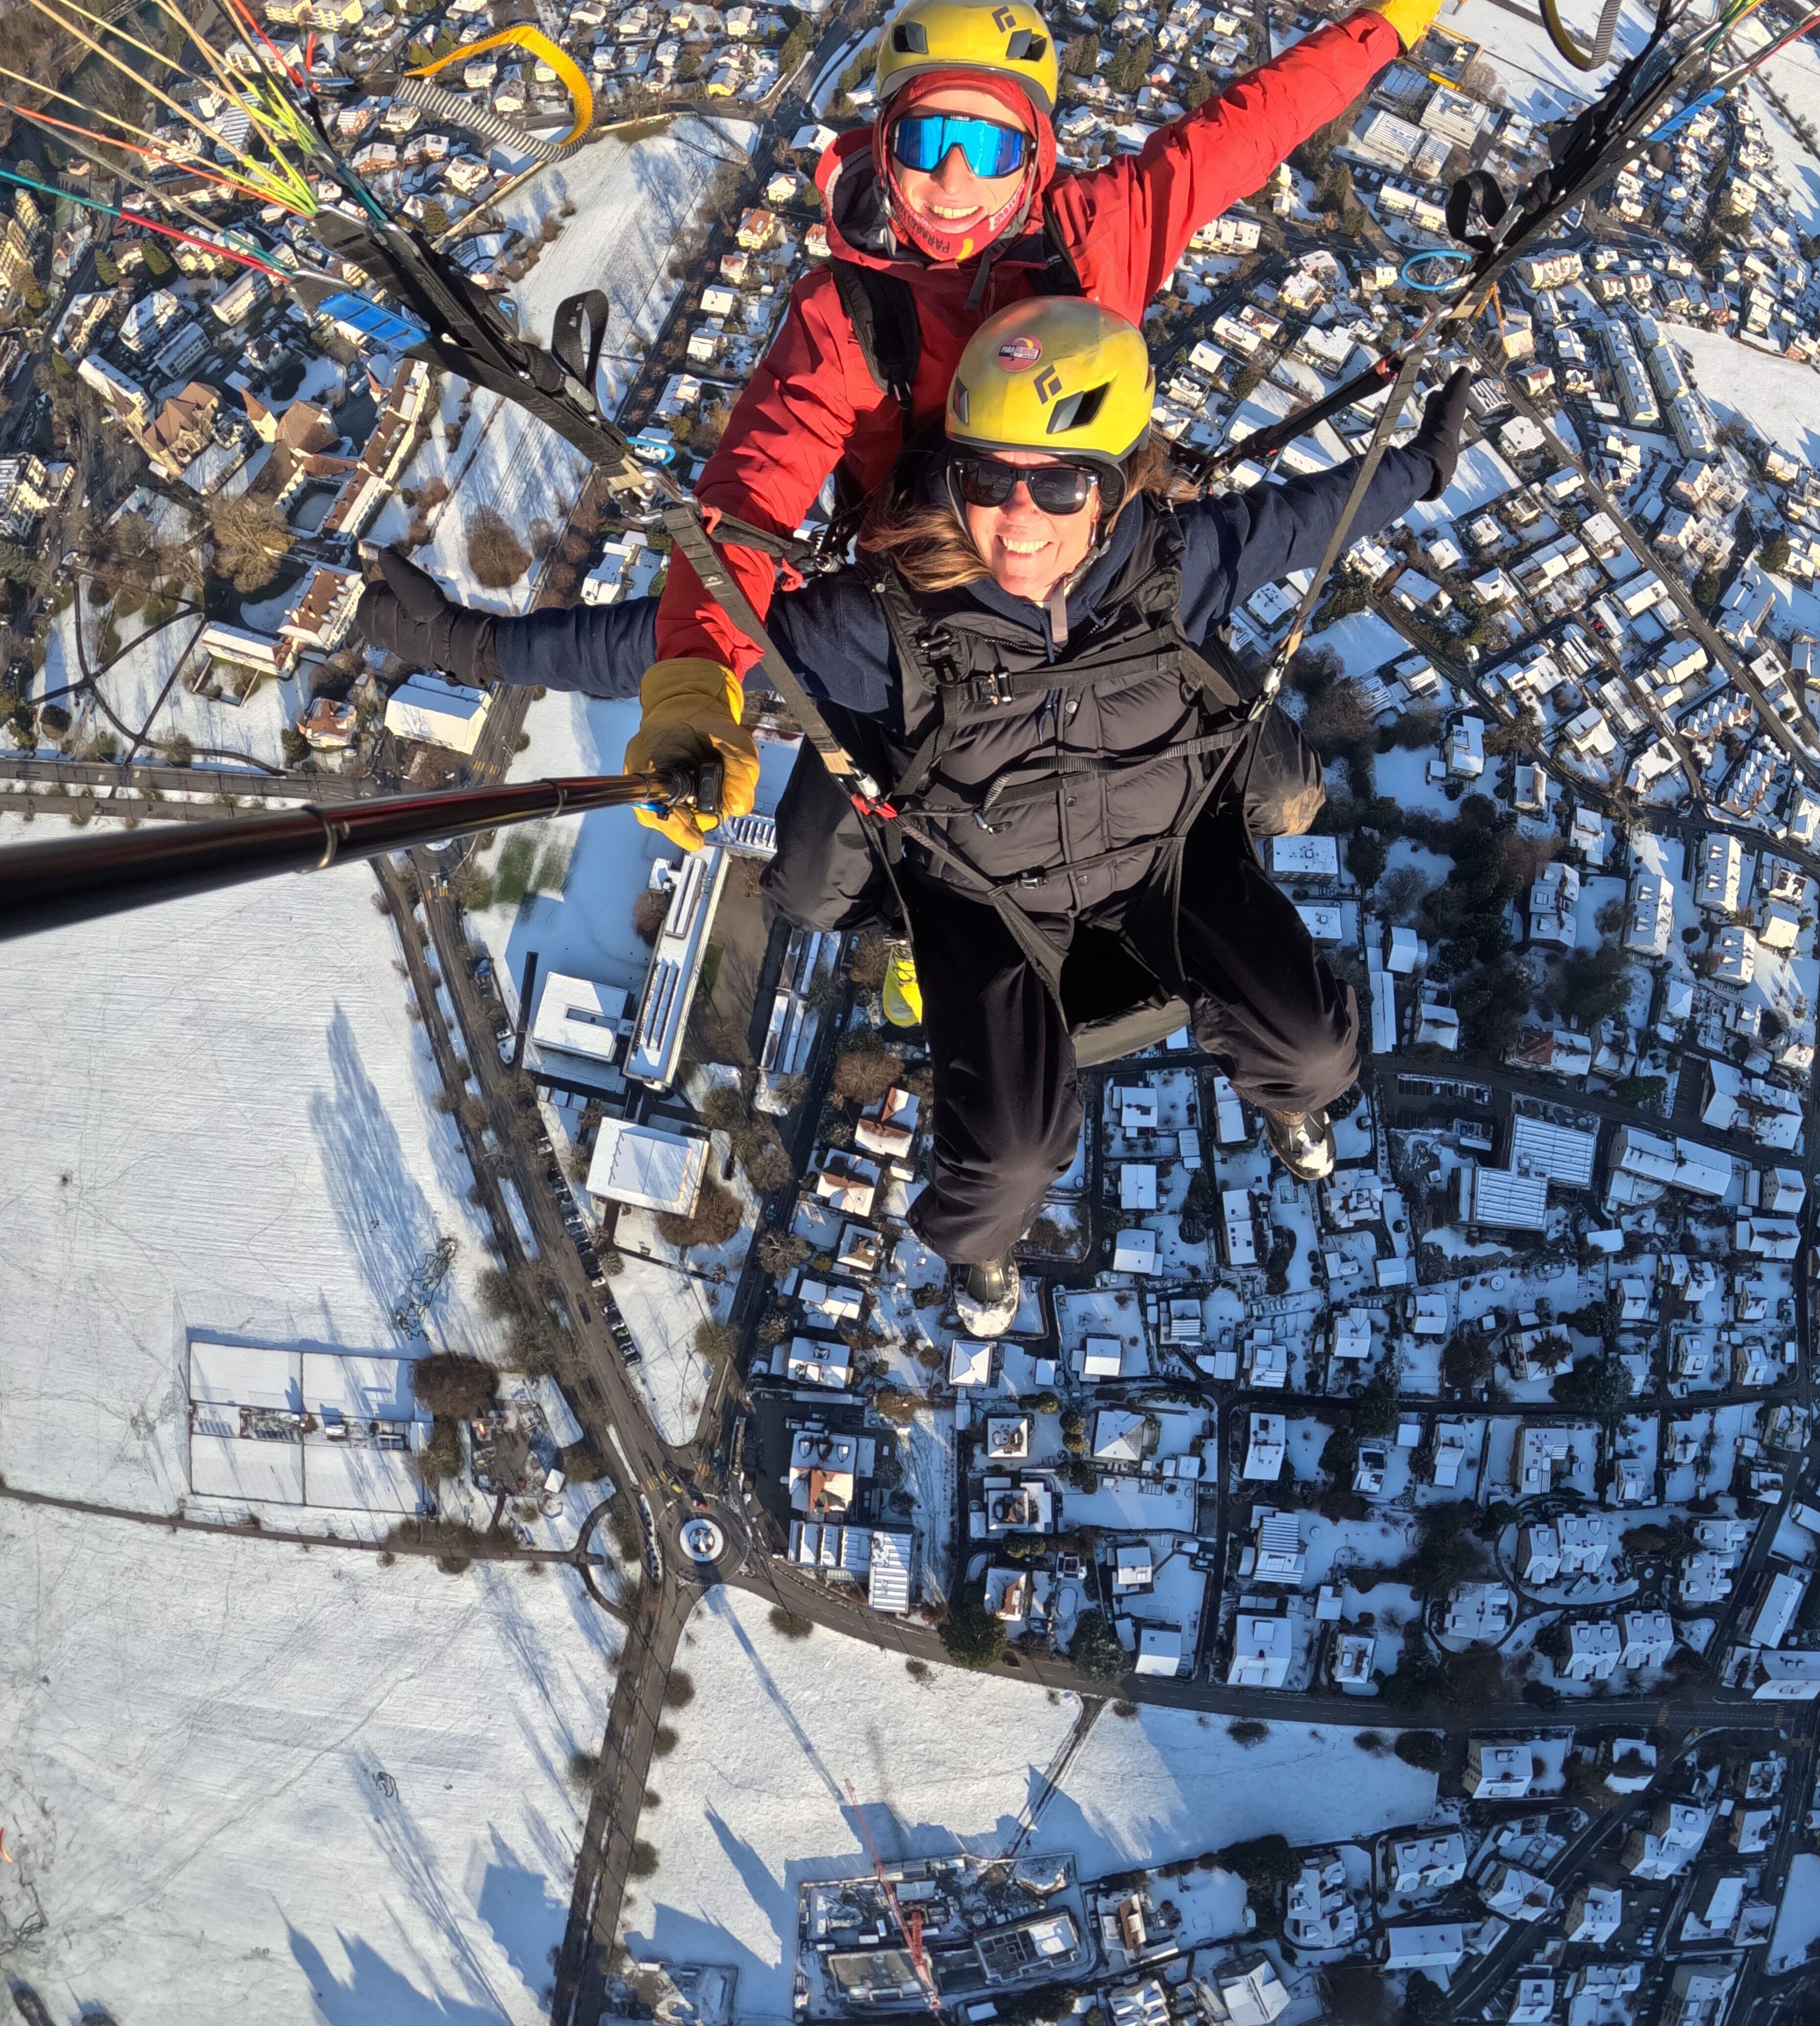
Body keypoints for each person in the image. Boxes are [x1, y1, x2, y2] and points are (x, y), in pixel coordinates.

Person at [369, 0, 1490, 1014]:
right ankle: (939, 917)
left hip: (1092, 573)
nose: (954, 183)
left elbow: (1252, 127)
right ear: (883, 143)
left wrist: (1394, 14)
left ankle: (1157, 895)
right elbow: (745, 510)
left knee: (1284, 787)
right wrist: (685, 673)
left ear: (1037, 156)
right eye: (926, 144)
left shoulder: (1098, 235)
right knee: (812, 881)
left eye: (988, 147)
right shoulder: (850, 317)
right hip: (929, 606)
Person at [374, 301, 1473, 1335]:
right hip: (988, 901)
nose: (1018, 519)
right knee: (1006, 1159)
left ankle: (1290, 1103)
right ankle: (983, 1250)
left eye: (1059, 486)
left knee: (1317, 1047)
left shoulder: (1181, 566)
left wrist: (1425, 462)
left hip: (1170, 860)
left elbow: (1323, 515)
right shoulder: (887, 626)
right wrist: (471, 645)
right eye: (988, 480)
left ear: (1113, 488)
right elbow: (677, 645)